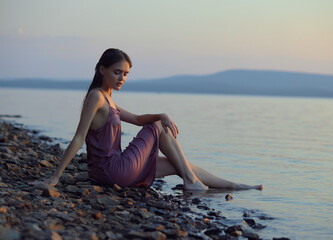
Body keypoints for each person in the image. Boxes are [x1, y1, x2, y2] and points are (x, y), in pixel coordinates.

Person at [29, 48, 263, 191]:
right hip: (113, 170)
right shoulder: (96, 97)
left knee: (177, 164)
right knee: (158, 128)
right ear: (102, 70)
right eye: (117, 72)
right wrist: (55, 177)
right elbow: (79, 137)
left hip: (111, 171)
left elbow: (139, 118)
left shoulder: (108, 100)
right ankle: (192, 182)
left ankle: (235, 185)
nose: (122, 78)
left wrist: (162, 113)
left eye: (126, 74)